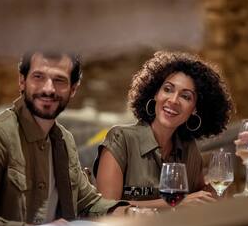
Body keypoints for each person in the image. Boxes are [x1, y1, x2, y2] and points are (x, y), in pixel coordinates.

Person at [0, 51, 128, 226]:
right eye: (39, 77)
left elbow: (87, 202)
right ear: (22, 81)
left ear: (73, 89)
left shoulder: (65, 140)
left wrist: (130, 211)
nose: (49, 89)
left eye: (59, 80)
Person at [94, 51, 233, 207]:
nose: (173, 100)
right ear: (155, 94)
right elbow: (106, 208)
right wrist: (175, 204)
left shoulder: (189, 149)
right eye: (168, 89)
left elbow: (199, 200)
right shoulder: (121, 139)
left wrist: (214, 193)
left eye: (185, 96)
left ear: (195, 109)